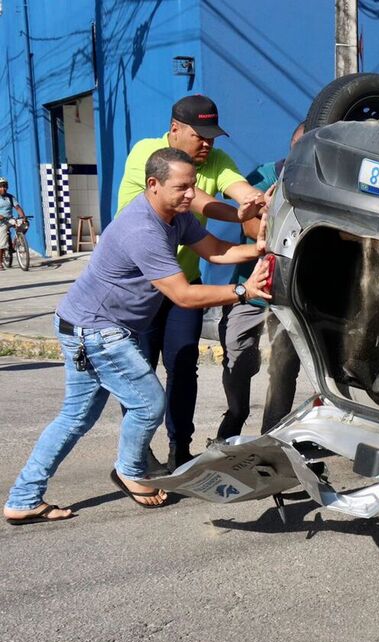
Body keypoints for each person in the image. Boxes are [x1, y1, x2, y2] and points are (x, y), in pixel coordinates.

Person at [4, 148, 270, 525]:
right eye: (181, 187)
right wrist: (245, 292)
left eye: (193, 186)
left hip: (85, 325)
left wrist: (257, 249)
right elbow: (183, 295)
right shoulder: (143, 228)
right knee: (148, 403)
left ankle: (23, 498)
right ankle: (130, 470)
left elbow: (215, 250)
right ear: (153, 185)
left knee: (74, 419)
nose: (191, 195)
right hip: (95, 329)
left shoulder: (177, 215)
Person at [117, 94, 267, 470]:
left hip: (183, 280)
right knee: (140, 371)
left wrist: (253, 201)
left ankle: (179, 449)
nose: (207, 144)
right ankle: (137, 453)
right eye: (199, 136)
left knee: (184, 363)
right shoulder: (148, 154)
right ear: (175, 129)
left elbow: (238, 188)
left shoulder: (216, 160)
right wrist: (236, 215)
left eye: (212, 137)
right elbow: (196, 200)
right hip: (138, 287)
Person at [215, 122, 305, 441]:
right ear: (292, 145)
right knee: (238, 358)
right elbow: (252, 228)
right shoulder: (268, 174)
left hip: (292, 295)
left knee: (283, 366)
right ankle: (236, 415)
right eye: (300, 147)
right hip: (253, 288)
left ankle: (272, 435)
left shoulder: (327, 182)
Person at [0, 177, 27, 271]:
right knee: (2, 243)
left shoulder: (10, 197)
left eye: (4, 186)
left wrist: (23, 217)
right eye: (1, 186)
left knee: (25, 224)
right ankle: (0, 263)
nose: (3, 188)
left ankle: (17, 240)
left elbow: (18, 208)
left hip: (10, 219)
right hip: (1, 222)